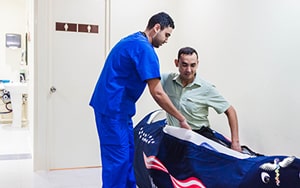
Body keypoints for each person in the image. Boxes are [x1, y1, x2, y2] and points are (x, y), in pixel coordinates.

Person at [89, 12, 191, 188]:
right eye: (166, 34)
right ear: (156, 27)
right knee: (118, 162)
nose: (167, 40)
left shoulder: (133, 40)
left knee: (129, 155)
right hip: (112, 110)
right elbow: (157, 92)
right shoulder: (144, 49)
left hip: (120, 110)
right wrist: (181, 118)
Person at [161, 47, 242, 152]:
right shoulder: (167, 80)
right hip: (174, 136)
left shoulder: (206, 88)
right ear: (177, 63)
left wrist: (235, 142)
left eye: (193, 65)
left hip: (198, 136)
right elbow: (148, 78)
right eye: (184, 65)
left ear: (197, 64)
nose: (189, 70)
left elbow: (230, 110)